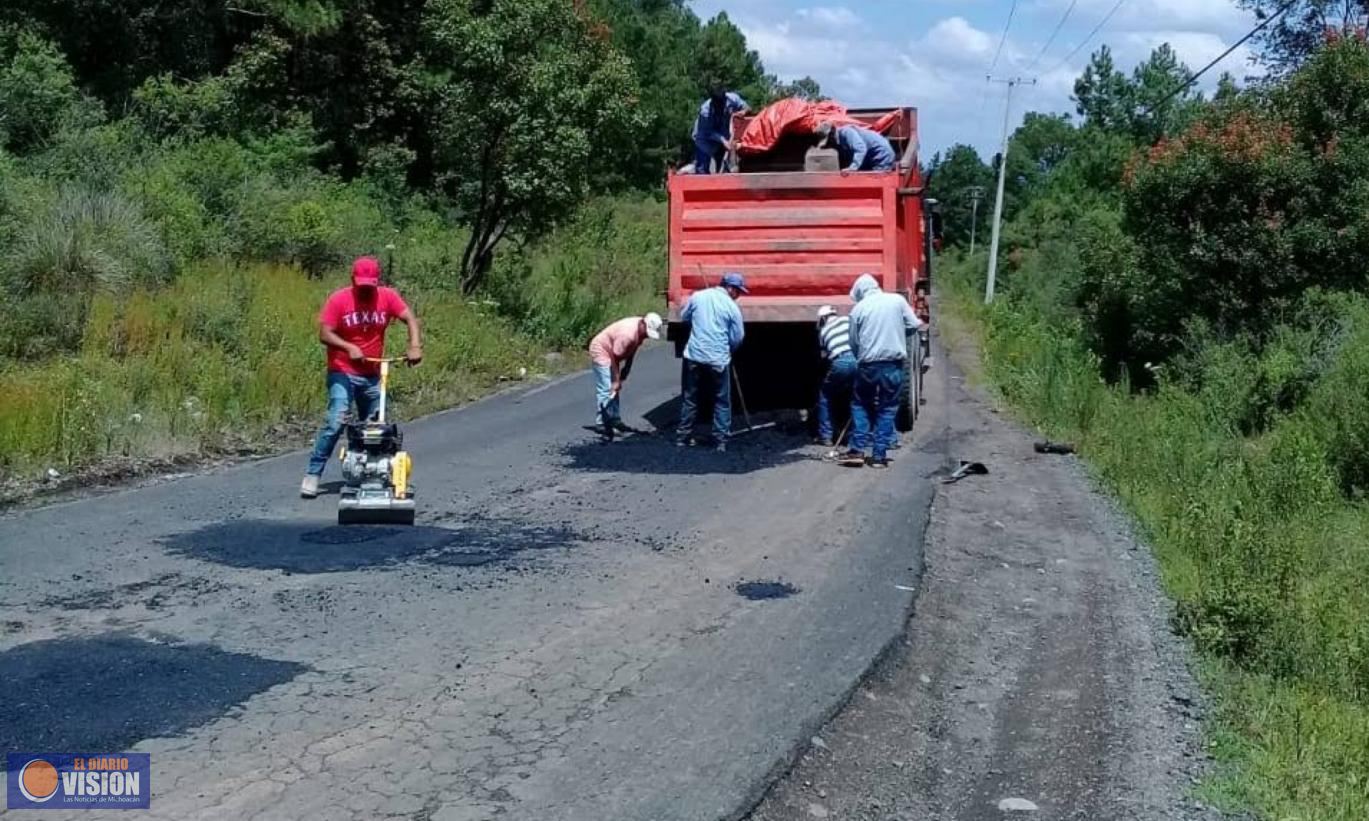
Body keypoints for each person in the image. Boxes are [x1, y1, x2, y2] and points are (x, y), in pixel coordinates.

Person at [301, 256, 422, 498]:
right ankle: (313, 473)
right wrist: (348, 347)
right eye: (361, 285)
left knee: (376, 426)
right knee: (337, 419)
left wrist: (415, 345)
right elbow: (324, 333)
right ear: (353, 280)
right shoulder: (339, 299)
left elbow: (409, 318)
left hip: (373, 373)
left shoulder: (388, 297)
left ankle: (370, 474)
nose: (366, 290)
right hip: (343, 370)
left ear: (377, 282)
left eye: (370, 285)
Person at [841, 273, 924, 469]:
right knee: (887, 408)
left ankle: (857, 451)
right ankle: (879, 457)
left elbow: (853, 341)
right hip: (893, 365)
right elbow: (914, 324)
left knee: (861, 405)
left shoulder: (858, 309)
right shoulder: (897, 300)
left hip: (868, 366)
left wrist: (860, 356)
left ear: (861, 292)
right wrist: (897, 333)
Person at [677, 272, 747, 451]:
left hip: (694, 356)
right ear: (730, 288)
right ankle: (720, 440)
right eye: (738, 291)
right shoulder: (732, 307)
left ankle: (683, 437)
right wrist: (729, 348)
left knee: (690, 397)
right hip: (718, 359)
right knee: (722, 400)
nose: (738, 295)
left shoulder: (698, 297)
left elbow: (683, 316)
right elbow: (738, 336)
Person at [588, 313, 664, 433]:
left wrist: (627, 368)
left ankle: (615, 419)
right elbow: (614, 356)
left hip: (612, 351)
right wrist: (616, 380)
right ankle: (602, 422)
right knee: (607, 388)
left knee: (615, 389)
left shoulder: (639, 329)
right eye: (647, 333)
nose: (646, 336)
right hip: (602, 349)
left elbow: (632, 349)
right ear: (644, 324)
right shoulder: (627, 335)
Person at [815, 305, 857, 447]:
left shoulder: (823, 331)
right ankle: (854, 436)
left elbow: (824, 356)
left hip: (841, 362)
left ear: (823, 318)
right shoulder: (847, 320)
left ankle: (825, 436)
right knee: (855, 397)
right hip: (858, 360)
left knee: (825, 396)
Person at [692, 84, 749, 175]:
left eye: (722, 103)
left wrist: (743, 112)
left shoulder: (732, 98)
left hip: (724, 134)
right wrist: (723, 141)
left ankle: (721, 179)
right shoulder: (705, 111)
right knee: (702, 170)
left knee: (723, 166)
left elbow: (746, 107)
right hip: (705, 138)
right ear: (713, 102)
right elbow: (709, 132)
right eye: (718, 105)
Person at [815, 121, 896, 172]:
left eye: (828, 139)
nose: (829, 143)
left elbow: (861, 149)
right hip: (870, 157)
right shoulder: (839, 141)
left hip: (882, 155)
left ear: (832, 132)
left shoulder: (846, 132)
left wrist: (852, 168)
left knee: (873, 183)